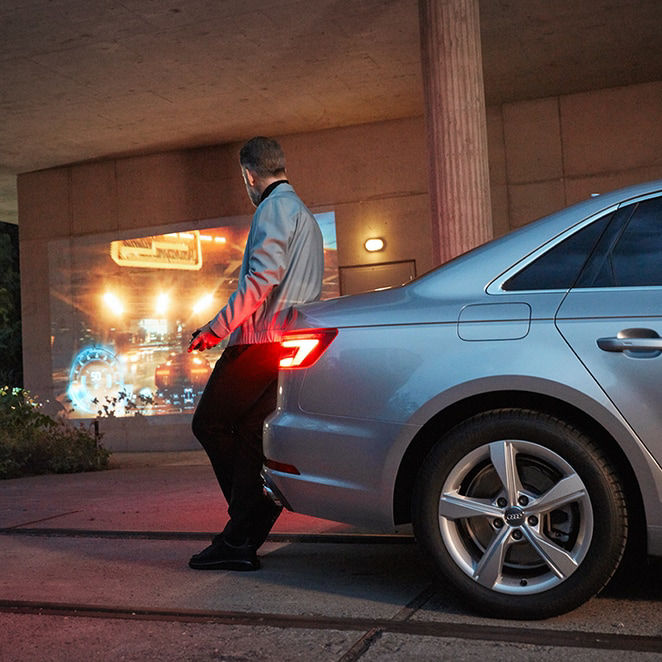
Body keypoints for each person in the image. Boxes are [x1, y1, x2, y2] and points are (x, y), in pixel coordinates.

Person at [187, 136, 324, 571]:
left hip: (259, 342)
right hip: (287, 344)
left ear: (249, 174)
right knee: (249, 436)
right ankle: (241, 539)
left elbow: (261, 278)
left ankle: (253, 515)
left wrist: (216, 328)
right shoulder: (304, 214)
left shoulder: (273, 209)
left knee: (208, 423)